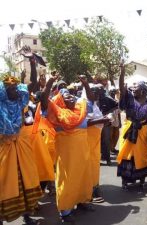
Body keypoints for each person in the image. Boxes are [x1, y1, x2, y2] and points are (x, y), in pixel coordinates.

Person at [40, 74, 101, 223]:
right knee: (67, 182)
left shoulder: (81, 111)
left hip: (83, 153)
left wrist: (86, 84)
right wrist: (49, 84)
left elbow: (92, 99)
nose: (72, 97)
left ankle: (82, 202)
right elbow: (43, 102)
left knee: (83, 178)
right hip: (67, 157)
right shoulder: (57, 114)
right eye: (66, 96)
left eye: (72, 95)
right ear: (60, 101)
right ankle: (65, 211)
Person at [0, 46, 44, 225]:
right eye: (9, 87)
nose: (14, 89)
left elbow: (32, 83)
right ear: (3, 90)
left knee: (27, 178)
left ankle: (27, 215)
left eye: (15, 87)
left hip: (21, 146)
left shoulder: (20, 100)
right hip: (4, 148)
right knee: (4, 182)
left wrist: (32, 61)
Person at [117, 64, 147, 190]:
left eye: (136, 87)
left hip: (143, 131)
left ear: (143, 90)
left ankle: (141, 180)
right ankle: (125, 181)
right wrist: (122, 71)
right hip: (129, 129)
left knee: (143, 155)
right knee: (127, 154)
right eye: (133, 87)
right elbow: (121, 88)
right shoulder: (129, 98)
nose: (133, 89)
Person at [97, 84, 118, 165]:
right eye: (98, 89)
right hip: (96, 124)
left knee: (106, 141)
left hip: (106, 123)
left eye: (101, 89)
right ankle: (98, 159)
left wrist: (109, 112)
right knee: (97, 141)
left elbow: (117, 105)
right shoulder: (94, 99)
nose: (100, 91)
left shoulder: (107, 99)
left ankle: (108, 159)